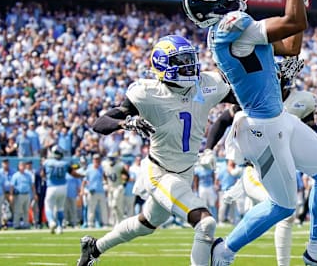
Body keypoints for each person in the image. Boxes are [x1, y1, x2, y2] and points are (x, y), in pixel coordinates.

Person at [184, 0, 317, 266]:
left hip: (278, 119)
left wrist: (299, 0)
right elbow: (293, 23)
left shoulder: (231, 29)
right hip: (262, 126)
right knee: (283, 205)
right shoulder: (232, 24)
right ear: (215, 2)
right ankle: (223, 252)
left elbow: (290, 46)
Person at [77, 35, 234, 266]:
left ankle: (94, 248)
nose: (189, 65)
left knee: (146, 224)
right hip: (160, 173)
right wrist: (126, 123)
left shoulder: (207, 84)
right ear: (164, 65)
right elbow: (100, 123)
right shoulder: (148, 93)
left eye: (190, 59)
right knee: (206, 223)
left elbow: (244, 99)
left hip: (185, 172)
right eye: (182, 60)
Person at [203, 55, 317, 266]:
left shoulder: (302, 100)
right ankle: (225, 250)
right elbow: (223, 120)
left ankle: (225, 250)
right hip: (256, 170)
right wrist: (208, 149)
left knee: (286, 210)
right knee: (284, 209)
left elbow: (312, 130)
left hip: (282, 167)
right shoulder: (253, 96)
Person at [44, 145, 83, 234]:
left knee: (48, 206)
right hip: (63, 187)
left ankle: (51, 222)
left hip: (51, 187)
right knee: (60, 208)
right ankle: (60, 227)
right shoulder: (65, 164)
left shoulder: (47, 162)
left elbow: (43, 173)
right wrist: (82, 175)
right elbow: (73, 174)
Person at [102, 152, 127, 226]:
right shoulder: (105, 165)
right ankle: (119, 220)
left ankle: (117, 221)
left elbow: (126, 176)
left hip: (118, 187)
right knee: (111, 205)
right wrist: (105, 184)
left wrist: (123, 184)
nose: (111, 160)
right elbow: (104, 175)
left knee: (114, 204)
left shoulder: (120, 166)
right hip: (110, 187)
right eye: (110, 158)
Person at [82, 154, 107, 228]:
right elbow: (84, 180)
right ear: (93, 160)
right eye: (95, 159)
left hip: (101, 191)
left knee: (103, 208)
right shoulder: (89, 169)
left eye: (98, 159)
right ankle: (90, 223)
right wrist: (83, 190)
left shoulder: (101, 169)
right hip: (92, 191)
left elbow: (105, 178)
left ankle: (104, 223)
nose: (97, 161)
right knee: (91, 208)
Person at [10, 161, 35, 229]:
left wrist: (34, 194)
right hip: (19, 195)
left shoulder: (28, 175)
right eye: (21, 166)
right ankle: (16, 224)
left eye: (23, 165)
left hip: (27, 194)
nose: (22, 167)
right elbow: (12, 186)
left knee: (26, 210)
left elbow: (32, 185)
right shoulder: (16, 175)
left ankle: (26, 224)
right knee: (18, 211)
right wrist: (11, 195)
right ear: (18, 167)